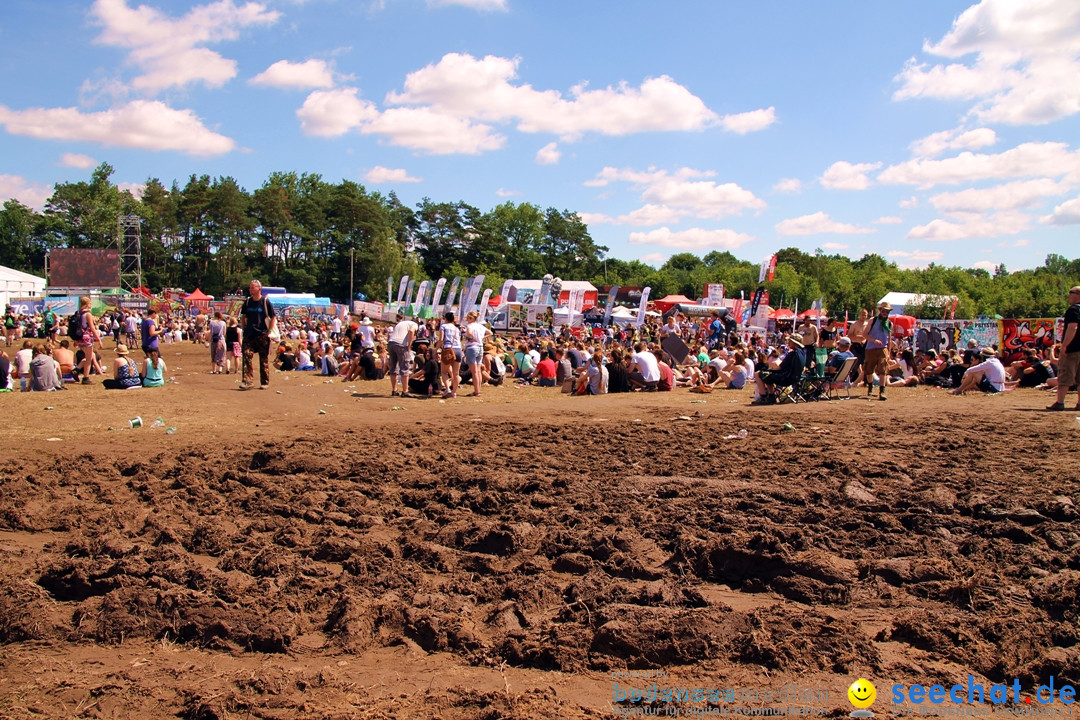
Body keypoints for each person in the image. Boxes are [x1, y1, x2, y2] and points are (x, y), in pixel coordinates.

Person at [1047, 285, 1080, 411]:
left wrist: (1065, 346)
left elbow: (1073, 327)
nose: (1068, 295)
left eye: (1070, 292)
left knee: (1065, 376)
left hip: (1073, 349)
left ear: (1077, 294)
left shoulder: (1073, 310)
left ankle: (1060, 402)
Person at [239, 280, 276, 390]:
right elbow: (243, 316)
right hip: (249, 334)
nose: (250, 289)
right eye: (250, 287)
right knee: (246, 356)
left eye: (253, 287)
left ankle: (264, 381)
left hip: (262, 334)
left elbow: (273, 317)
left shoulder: (265, 301)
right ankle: (247, 381)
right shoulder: (247, 302)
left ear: (259, 289)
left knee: (263, 359)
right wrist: (243, 328)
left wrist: (269, 331)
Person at [752, 333, 807, 404]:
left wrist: (771, 367)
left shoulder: (792, 354)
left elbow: (780, 367)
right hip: (795, 377)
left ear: (795, 343)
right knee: (767, 375)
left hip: (786, 377)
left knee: (759, 374)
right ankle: (771, 397)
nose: (788, 343)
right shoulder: (803, 353)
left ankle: (764, 397)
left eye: (790, 341)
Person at [863, 302, 892, 401]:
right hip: (871, 348)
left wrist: (889, 351)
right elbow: (864, 334)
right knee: (869, 369)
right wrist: (874, 340)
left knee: (883, 368)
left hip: (883, 348)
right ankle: (870, 386)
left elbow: (889, 339)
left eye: (887, 311)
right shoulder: (873, 320)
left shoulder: (889, 322)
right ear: (880, 311)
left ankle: (882, 391)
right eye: (884, 311)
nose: (885, 313)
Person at [73, 296, 104, 384]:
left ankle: (77, 370)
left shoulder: (78, 313)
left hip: (80, 337)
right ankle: (85, 378)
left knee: (88, 357)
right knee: (89, 358)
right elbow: (92, 328)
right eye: (90, 303)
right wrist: (99, 340)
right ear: (87, 304)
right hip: (87, 337)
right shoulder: (88, 314)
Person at [387, 312, 418, 397]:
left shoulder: (401, 323)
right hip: (401, 345)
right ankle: (405, 391)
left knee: (393, 367)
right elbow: (411, 331)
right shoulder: (414, 324)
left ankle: (394, 390)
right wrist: (409, 344)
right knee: (404, 367)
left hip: (391, 343)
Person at [463, 310, 487, 397]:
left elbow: (469, 333)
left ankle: (477, 391)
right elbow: (490, 332)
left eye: (467, 318)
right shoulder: (480, 326)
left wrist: (471, 338)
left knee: (474, 372)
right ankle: (478, 390)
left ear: (470, 318)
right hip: (480, 347)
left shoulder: (470, 325)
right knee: (478, 371)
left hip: (472, 347)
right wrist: (481, 338)